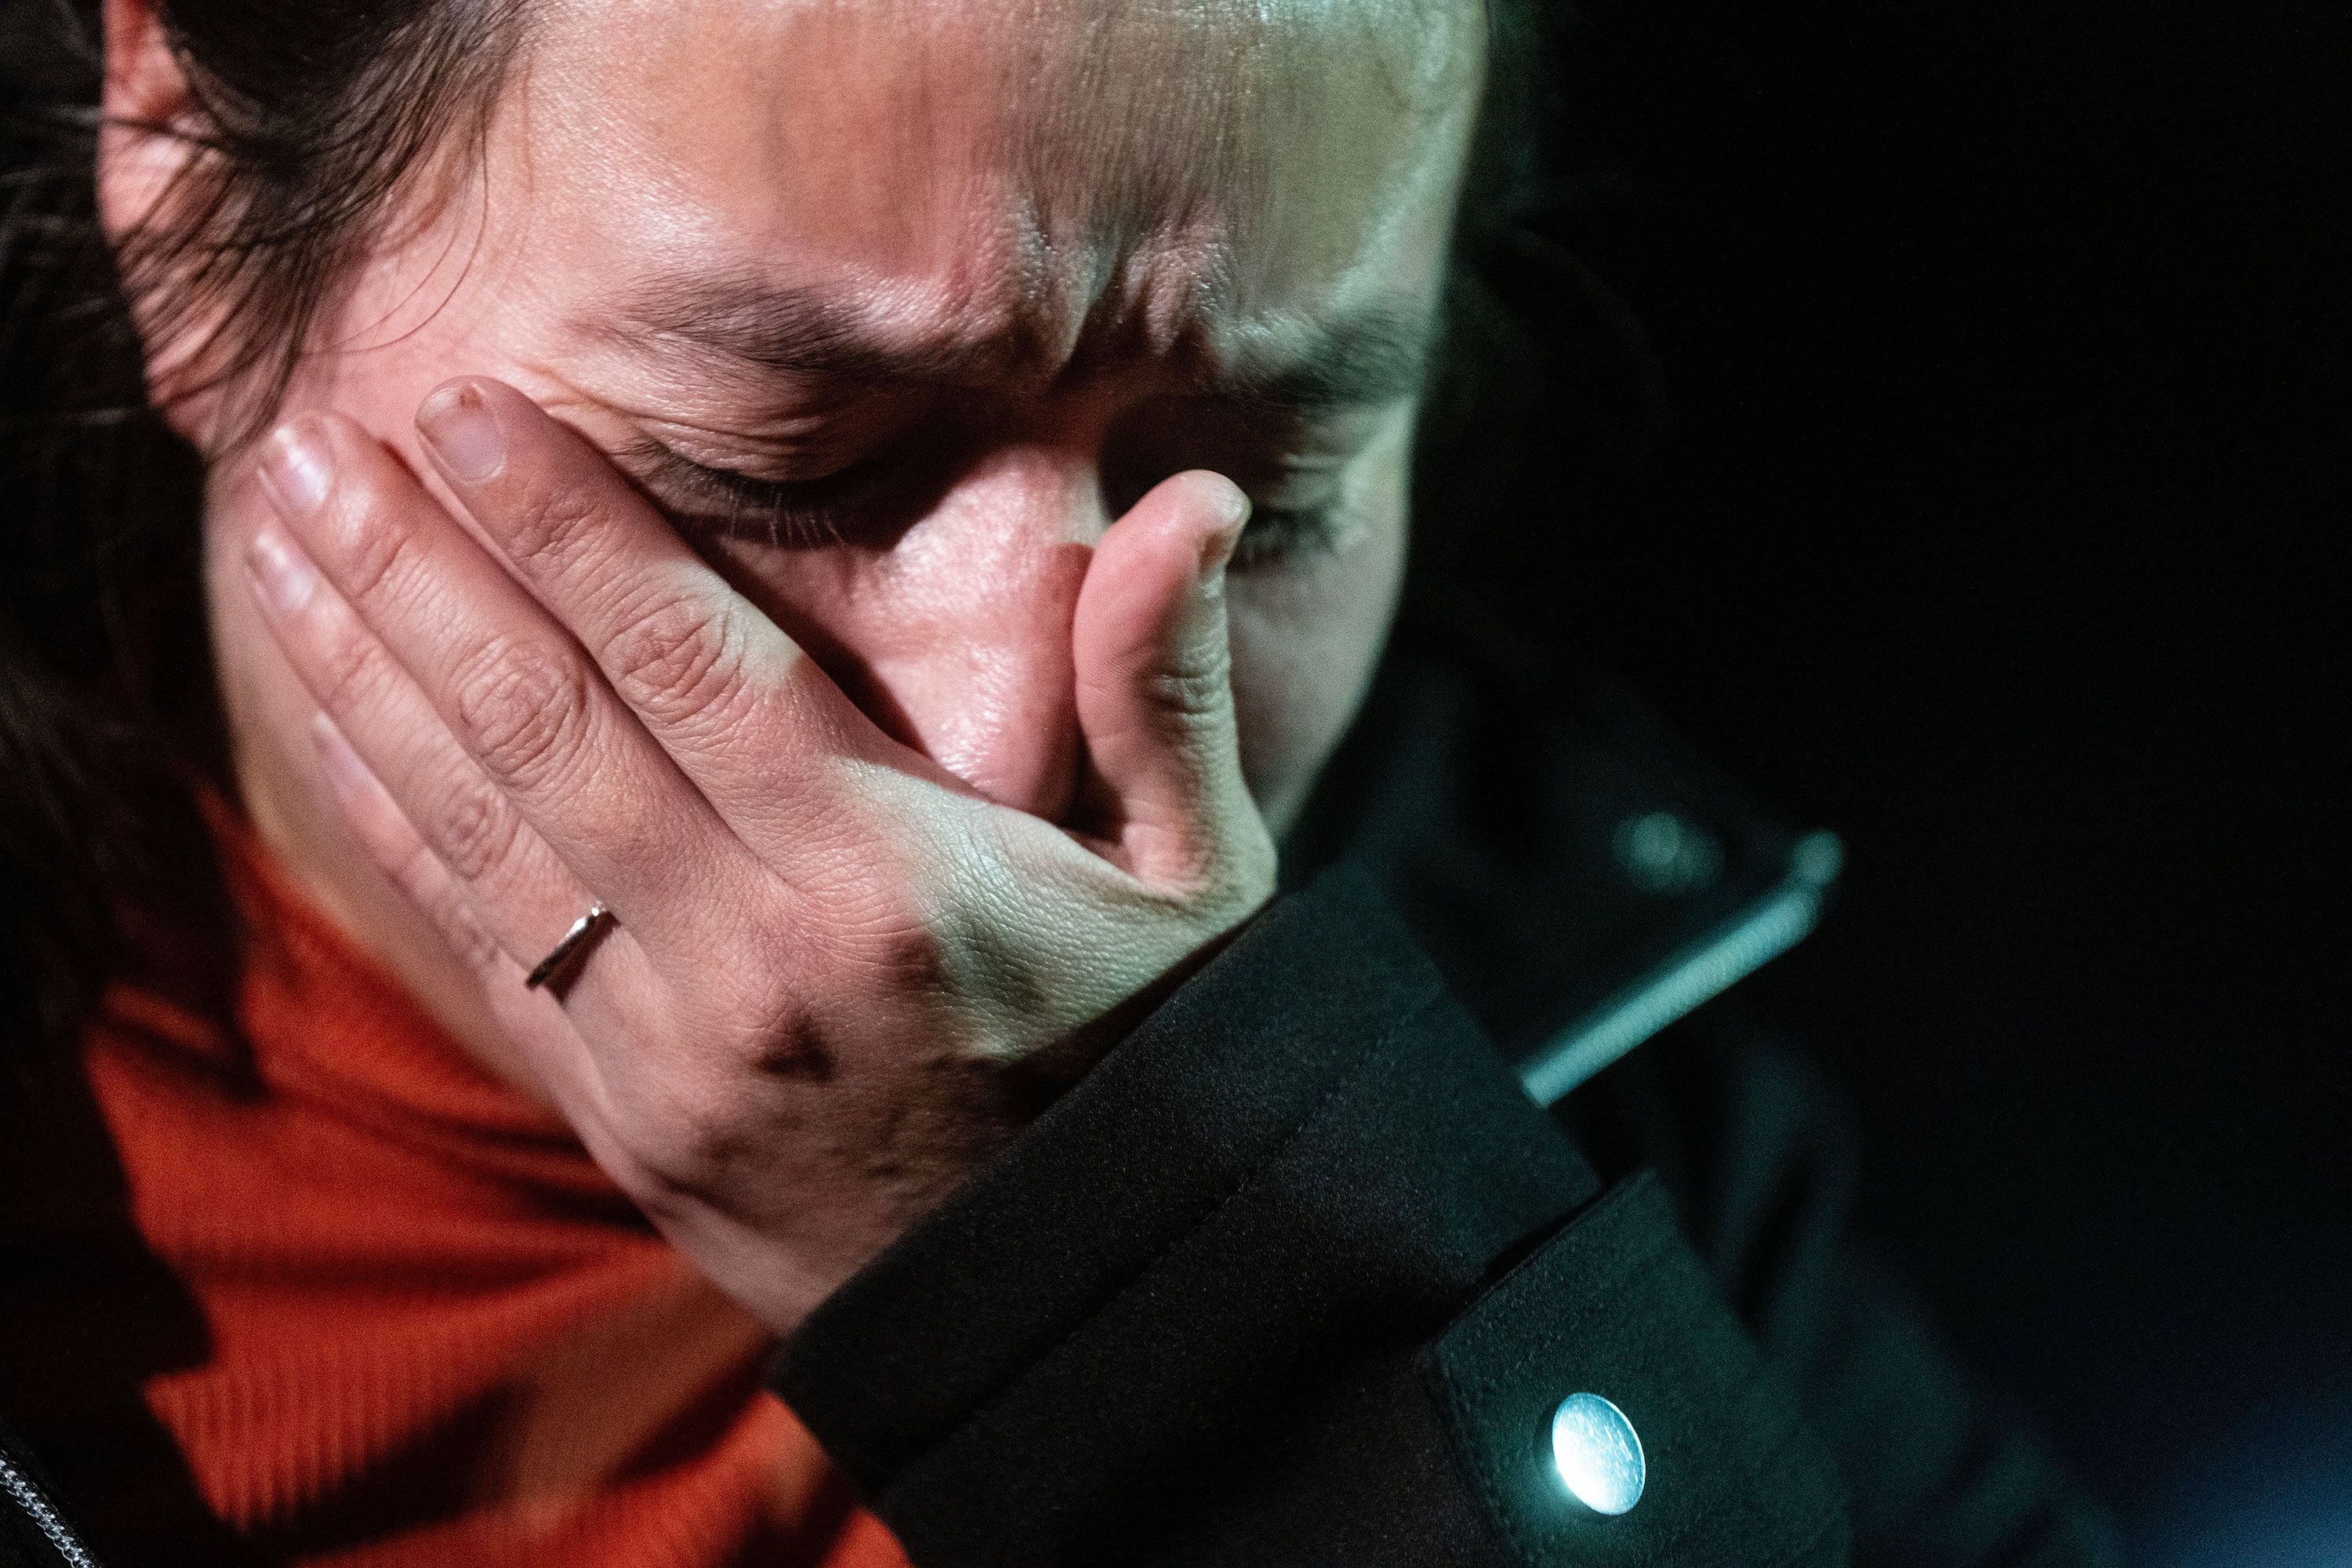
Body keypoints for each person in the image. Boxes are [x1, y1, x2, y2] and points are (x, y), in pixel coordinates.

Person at [0, 0, 2118, 1563]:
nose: (1024, 747)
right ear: (181, 188)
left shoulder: (1600, 1083)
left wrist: (1183, 1297)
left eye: (1259, 494)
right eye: (790, 467)